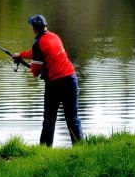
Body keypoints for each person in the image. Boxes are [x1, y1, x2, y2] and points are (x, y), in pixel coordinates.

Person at [13, 15, 83, 146]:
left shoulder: (38, 44)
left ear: (34, 29)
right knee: (73, 118)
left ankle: (44, 149)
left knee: (49, 120)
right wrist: (21, 55)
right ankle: (81, 148)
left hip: (55, 84)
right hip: (71, 79)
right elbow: (41, 52)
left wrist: (26, 64)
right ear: (46, 26)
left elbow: (35, 72)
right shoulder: (54, 37)